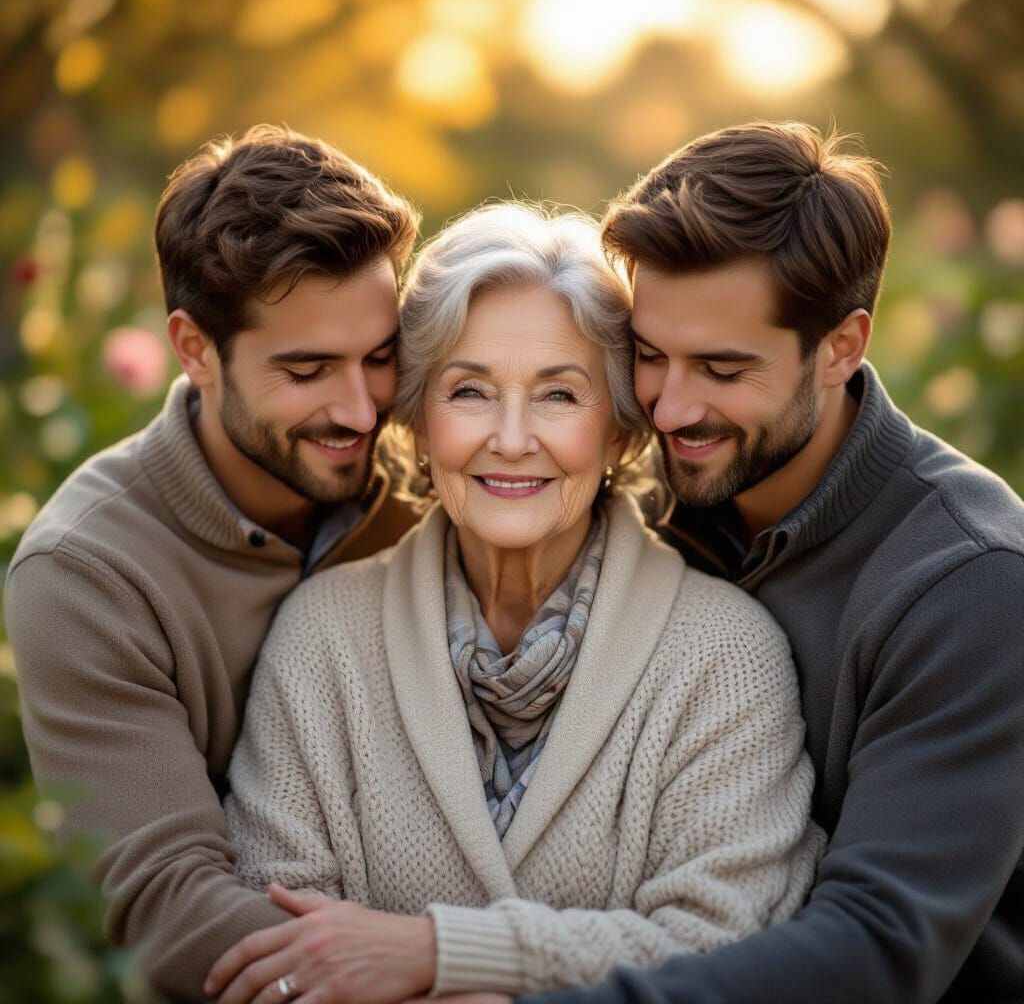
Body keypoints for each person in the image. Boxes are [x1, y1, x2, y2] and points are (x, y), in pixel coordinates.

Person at [205, 203, 823, 1004]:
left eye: (559, 396)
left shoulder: (726, 654)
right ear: (417, 424)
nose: (510, 437)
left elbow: (721, 944)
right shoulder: (322, 636)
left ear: (621, 432)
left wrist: (441, 954)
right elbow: (281, 941)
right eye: (469, 391)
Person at [499, 124, 1024, 1004]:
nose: (671, 408)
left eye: (722, 368)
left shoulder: (972, 584)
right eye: (651, 355)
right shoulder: (642, 511)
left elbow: (878, 951)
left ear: (842, 347)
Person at [4, 125, 422, 1002]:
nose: (360, 410)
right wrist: (447, 984)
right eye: (307, 371)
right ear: (195, 350)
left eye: (380, 358)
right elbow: (169, 908)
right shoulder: (85, 572)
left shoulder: (444, 483)